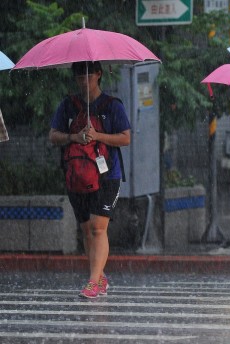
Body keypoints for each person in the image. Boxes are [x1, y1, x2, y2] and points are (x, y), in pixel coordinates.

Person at [49, 61, 131, 298]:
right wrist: (74, 136)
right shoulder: (68, 105)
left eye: (87, 74)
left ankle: (93, 282)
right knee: (86, 230)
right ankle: (100, 276)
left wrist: (98, 136)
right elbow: (53, 136)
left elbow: (125, 138)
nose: (82, 80)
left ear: (98, 75)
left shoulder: (112, 105)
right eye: (78, 75)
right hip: (77, 174)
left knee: (98, 228)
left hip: (107, 175)